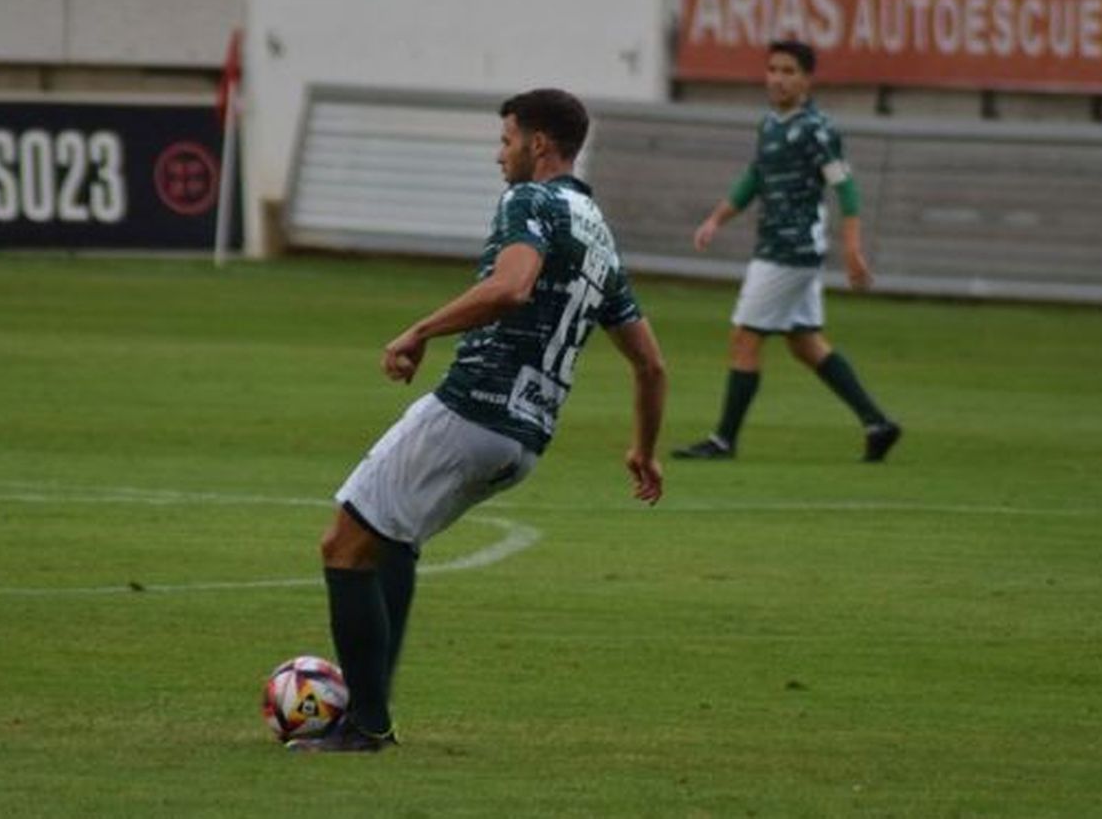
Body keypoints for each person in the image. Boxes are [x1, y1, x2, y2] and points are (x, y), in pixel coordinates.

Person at [288, 88, 668, 753]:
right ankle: (370, 717)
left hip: (474, 406)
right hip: (525, 440)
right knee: (391, 540)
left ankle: (367, 724)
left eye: (506, 139)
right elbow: (651, 366)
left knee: (343, 543)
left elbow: (511, 285)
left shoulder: (532, 201)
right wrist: (644, 447)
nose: (500, 154)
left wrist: (419, 329)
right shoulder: (599, 233)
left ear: (539, 144)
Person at [672, 40, 901, 463]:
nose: (777, 78)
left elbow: (844, 187)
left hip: (789, 251)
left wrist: (853, 249)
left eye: (788, 71)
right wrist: (715, 220)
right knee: (805, 343)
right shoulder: (770, 124)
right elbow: (754, 178)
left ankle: (723, 440)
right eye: (772, 69)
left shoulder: (817, 128)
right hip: (778, 247)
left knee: (744, 337)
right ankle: (877, 423)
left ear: (807, 79)